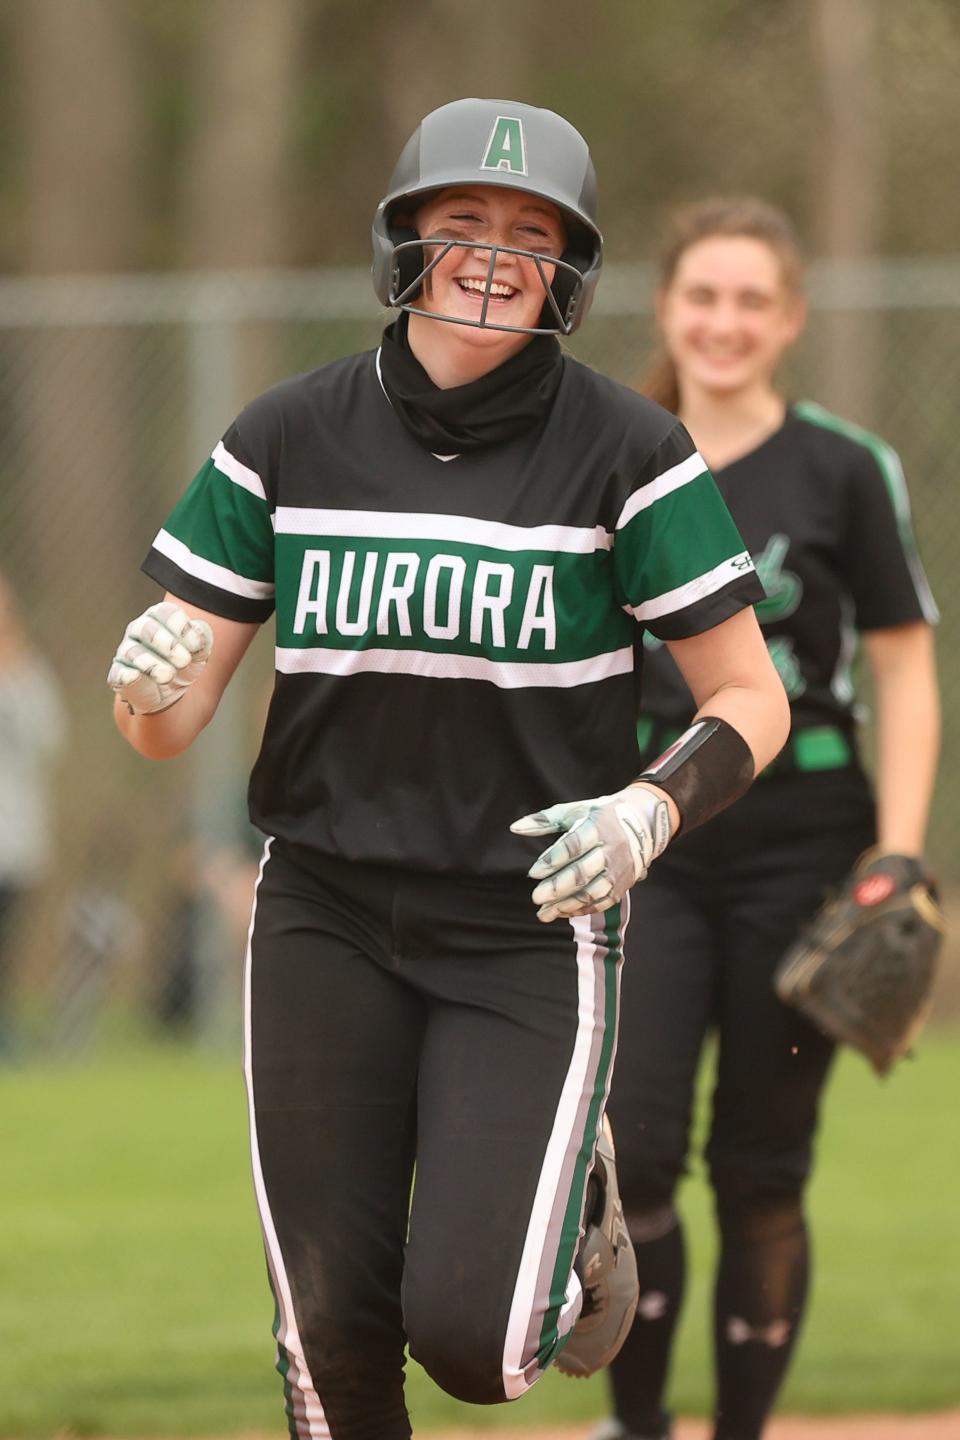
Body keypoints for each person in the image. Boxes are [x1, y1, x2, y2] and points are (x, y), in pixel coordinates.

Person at [107, 103, 788, 1440]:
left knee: (476, 1345)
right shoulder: (287, 433)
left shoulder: (630, 452)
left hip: (529, 915)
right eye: (462, 222)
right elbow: (168, 727)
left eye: (531, 235)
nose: (492, 254)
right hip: (325, 914)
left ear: (569, 274)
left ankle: (573, 1209)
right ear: (406, 241)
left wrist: (654, 807)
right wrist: (144, 685)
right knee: (328, 1338)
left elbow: (750, 697)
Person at [599, 197, 941, 1440]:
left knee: (761, 1168)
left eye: (753, 299)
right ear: (666, 305)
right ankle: (635, 1425)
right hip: (650, 835)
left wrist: (899, 851)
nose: (725, 321)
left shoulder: (842, 464)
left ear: (790, 319)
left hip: (805, 840)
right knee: (632, 1156)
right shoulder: (610, 452)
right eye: (704, 295)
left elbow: (902, 663)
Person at [0, 571, 67, 1057]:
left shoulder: (26, 673)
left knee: (10, 938)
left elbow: (50, 739)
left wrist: (15, 663)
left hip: (14, 832)